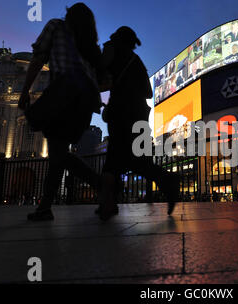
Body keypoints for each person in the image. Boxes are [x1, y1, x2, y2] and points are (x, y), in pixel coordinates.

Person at [18, 3, 103, 221]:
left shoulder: (56, 26)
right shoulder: (89, 43)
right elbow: (101, 78)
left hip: (64, 91)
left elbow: (38, 58)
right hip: (85, 101)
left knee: (57, 151)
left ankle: (99, 184)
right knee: (58, 152)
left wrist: (25, 90)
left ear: (68, 15)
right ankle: (45, 207)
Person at [99, 26, 180, 220]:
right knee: (135, 160)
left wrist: (116, 85)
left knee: (115, 160)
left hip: (120, 114)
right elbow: (149, 93)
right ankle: (167, 181)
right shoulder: (136, 61)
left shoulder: (111, 54)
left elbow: (99, 76)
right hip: (138, 115)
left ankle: (108, 203)